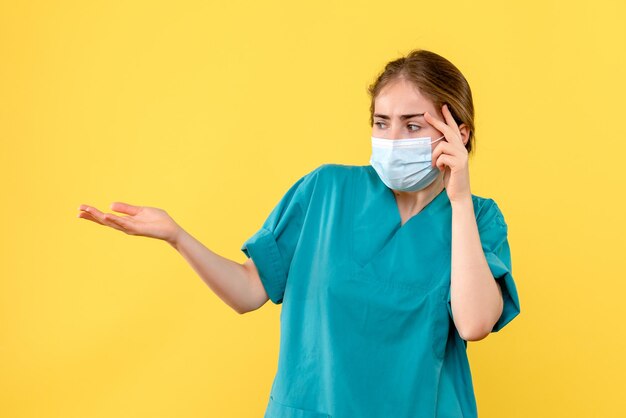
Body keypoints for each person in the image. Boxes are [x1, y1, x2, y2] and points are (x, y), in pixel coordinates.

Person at [77, 49, 521, 418]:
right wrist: (177, 236)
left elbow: (474, 323)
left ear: (457, 134)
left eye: (412, 125)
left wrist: (459, 199)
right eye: (381, 123)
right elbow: (249, 289)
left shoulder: (478, 219)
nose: (392, 138)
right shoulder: (325, 191)